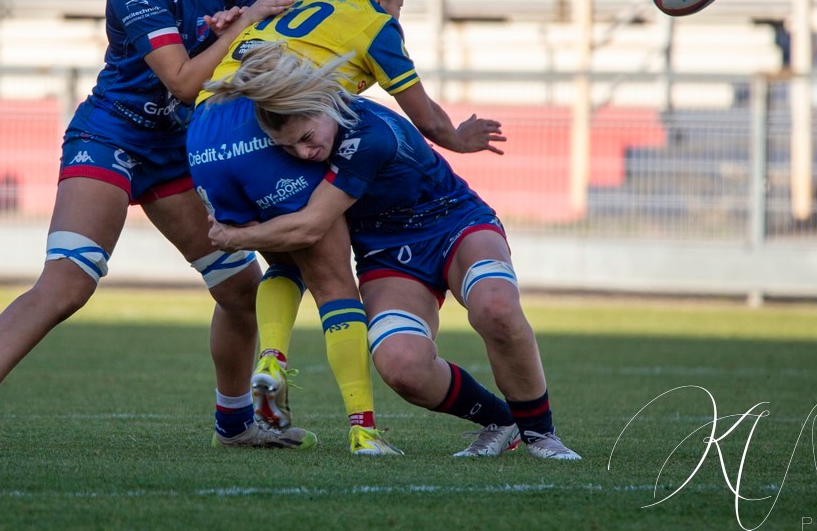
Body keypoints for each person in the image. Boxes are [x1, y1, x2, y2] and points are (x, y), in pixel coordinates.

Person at [0, 0, 313, 452]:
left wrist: (245, 27)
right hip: (112, 135)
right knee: (68, 283)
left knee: (241, 289)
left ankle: (235, 425)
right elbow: (182, 80)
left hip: (175, 148)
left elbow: (259, 54)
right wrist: (240, 27)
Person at [187, 0, 505, 455]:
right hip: (272, 123)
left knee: (285, 259)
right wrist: (460, 138)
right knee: (332, 277)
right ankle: (363, 432)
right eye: (398, 7)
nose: (396, 19)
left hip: (207, 130)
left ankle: (270, 361)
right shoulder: (373, 20)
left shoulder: (302, 1)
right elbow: (425, 115)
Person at [204, 44, 581, 460]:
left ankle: (541, 433)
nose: (304, 154)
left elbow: (310, 225)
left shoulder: (368, 136)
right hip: (385, 254)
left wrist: (235, 237)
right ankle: (500, 419)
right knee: (402, 366)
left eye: (307, 139)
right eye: (290, 148)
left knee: (496, 307)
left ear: (324, 104)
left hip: (453, 223)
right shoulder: (310, 132)